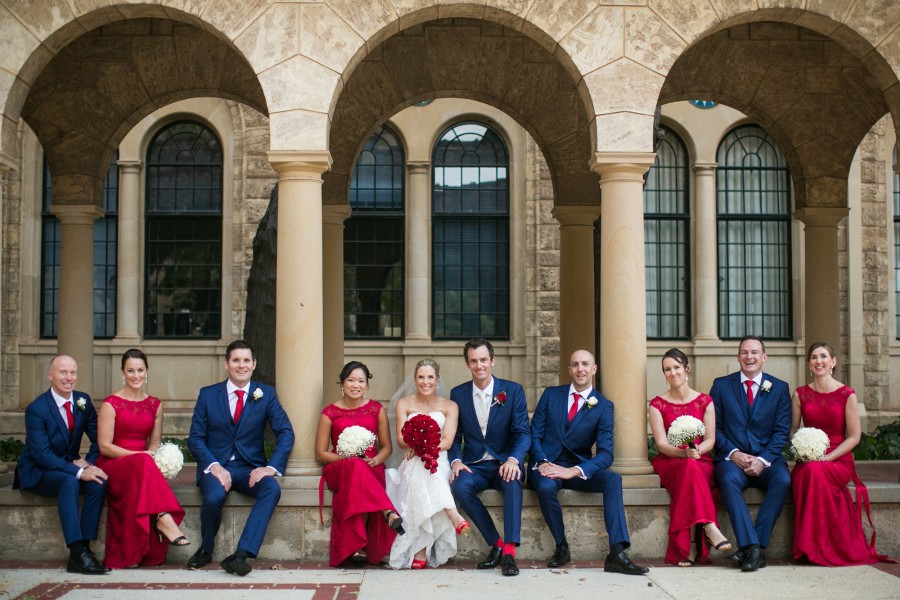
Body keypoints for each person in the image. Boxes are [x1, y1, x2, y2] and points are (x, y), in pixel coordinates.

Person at [530, 349, 649, 575]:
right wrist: (543, 462)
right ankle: (562, 546)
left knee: (613, 479)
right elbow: (533, 434)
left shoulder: (603, 406)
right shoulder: (550, 395)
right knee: (545, 487)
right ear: (569, 369)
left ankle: (617, 553)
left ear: (594, 369)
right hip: (545, 466)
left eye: (585, 364)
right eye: (575, 364)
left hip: (575, 468)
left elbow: (606, 454)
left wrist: (574, 471)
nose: (580, 369)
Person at [186, 340, 295, 576]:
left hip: (249, 468)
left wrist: (270, 467)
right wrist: (214, 466)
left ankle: (241, 554)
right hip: (216, 466)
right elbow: (195, 438)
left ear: (254, 364)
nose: (241, 365)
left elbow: (286, 432)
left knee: (271, 489)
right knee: (214, 495)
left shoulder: (265, 394)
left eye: (246, 360)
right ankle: (206, 549)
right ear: (227, 364)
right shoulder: (207, 395)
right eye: (236, 360)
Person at [790, 342, 890, 566]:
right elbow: (793, 432)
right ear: (809, 364)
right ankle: (809, 546)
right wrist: (802, 451)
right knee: (808, 473)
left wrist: (828, 457)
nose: (819, 361)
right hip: (808, 459)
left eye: (824, 356)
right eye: (814, 357)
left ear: (833, 362)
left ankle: (814, 547)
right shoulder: (800, 395)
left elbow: (854, 437)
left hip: (839, 459)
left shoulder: (847, 394)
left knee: (814, 473)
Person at [13, 355, 109, 574]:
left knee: (99, 481)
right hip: (39, 471)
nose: (69, 378)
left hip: (68, 466)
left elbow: (98, 439)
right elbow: (42, 456)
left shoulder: (83, 401)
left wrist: (89, 463)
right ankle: (76, 550)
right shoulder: (37, 409)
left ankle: (83, 550)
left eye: (73, 372)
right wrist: (78, 471)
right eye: (63, 372)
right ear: (50, 375)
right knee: (69, 481)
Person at [95, 349, 189, 568]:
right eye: (130, 370)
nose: (135, 375)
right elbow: (105, 447)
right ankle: (165, 519)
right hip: (114, 463)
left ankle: (159, 525)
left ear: (146, 372)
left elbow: (154, 445)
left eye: (140, 370)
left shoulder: (155, 405)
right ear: (122, 372)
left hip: (142, 465)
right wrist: (141, 456)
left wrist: (155, 459)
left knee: (146, 462)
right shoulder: (111, 404)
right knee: (144, 461)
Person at [449, 337, 530, 577]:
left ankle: (510, 552)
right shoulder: (459, 394)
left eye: (483, 360)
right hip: (474, 464)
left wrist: (515, 459)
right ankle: (496, 543)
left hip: (505, 461)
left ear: (492, 361)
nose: (479, 365)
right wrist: (456, 461)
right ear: (467, 364)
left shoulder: (512, 390)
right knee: (460, 486)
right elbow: (454, 437)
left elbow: (523, 433)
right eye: (474, 361)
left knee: (513, 482)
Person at [710, 336, 791, 572]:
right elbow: (714, 427)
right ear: (738, 357)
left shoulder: (779, 388)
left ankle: (752, 546)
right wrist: (733, 453)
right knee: (726, 479)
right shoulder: (721, 386)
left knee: (783, 480)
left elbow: (781, 431)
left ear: (763, 357)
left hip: (767, 460)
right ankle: (754, 548)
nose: (749, 357)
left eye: (754, 352)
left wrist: (763, 459)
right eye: (744, 352)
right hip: (732, 460)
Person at [315, 361, 405, 567]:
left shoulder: (376, 409)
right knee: (356, 467)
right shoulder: (329, 413)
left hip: (372, 466)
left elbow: (386, 448)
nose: (356, 385)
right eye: (351, 380)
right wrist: (348, 458)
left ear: (367, 384)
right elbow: (320, 453)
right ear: (342, 383)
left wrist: (376, 460)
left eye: (361, 381)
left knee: (360, 472)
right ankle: (387, 512)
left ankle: (358, 547)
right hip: (340, 467)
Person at [648, 349, 731, 567]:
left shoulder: (705, 401)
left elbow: (710, 439)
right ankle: (710, 526)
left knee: (692, 468)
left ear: (687, 369)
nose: (672, 372)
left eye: (676, 367)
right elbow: (661, 444)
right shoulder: (657, 405)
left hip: (699, 458)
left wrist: (697, 451)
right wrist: (683, 453)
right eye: (667, 369)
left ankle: (691, 545)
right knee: (689, 468)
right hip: (670, 460)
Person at [386, 358, 469, 569]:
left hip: (438, 457)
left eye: (430, 377)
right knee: (419, 469)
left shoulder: (450, 406)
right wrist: (418, 447)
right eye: (421, 377)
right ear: (414, 380)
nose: (425, 381)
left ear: (437, 379)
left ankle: (420, 550)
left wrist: (425, 449)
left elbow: (448, 441)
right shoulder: (404, 404)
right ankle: (452, 513)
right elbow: (401, 440)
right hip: (412, 457)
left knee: (427, 470)